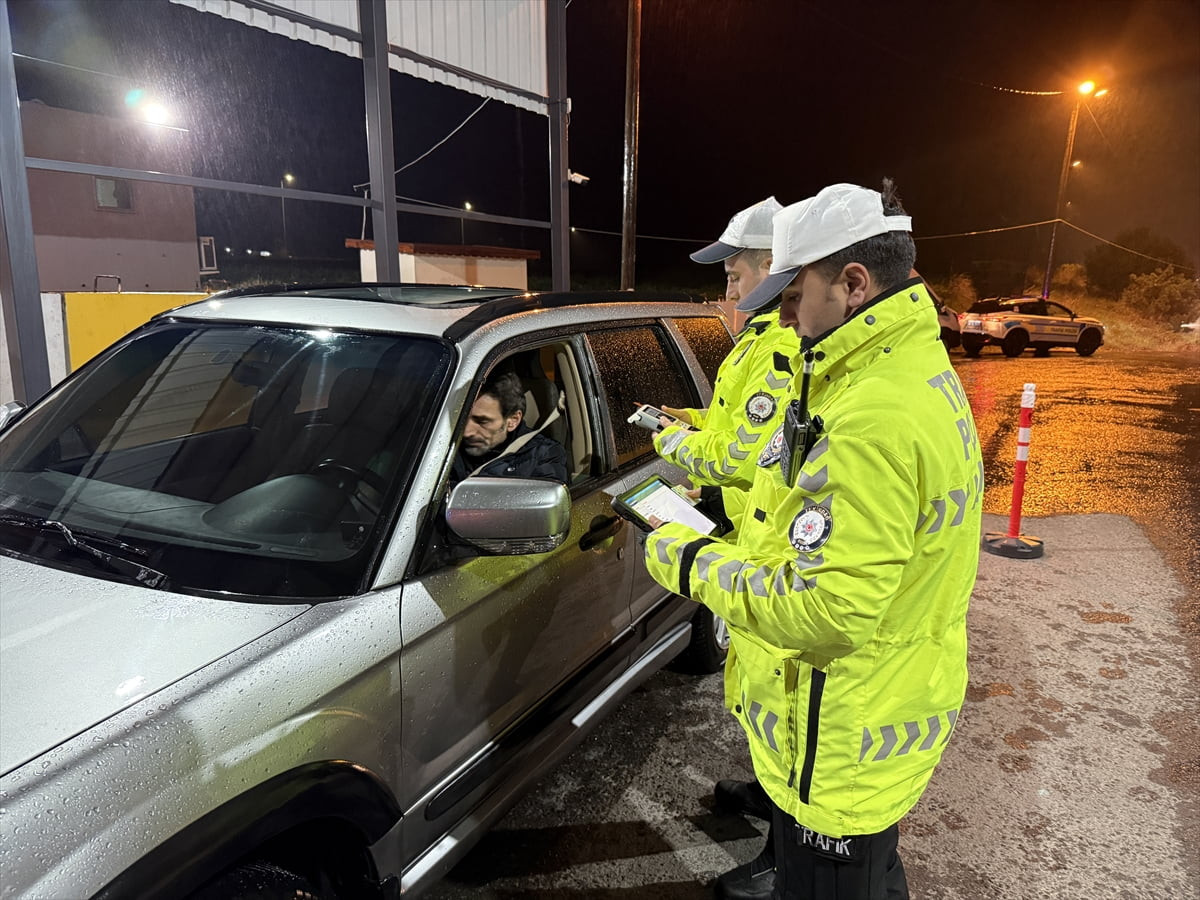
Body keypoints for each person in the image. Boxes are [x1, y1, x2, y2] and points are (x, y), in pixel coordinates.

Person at [644, 181, 983, 900]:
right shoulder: (897, 372)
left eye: (794, 298)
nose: (785, 321)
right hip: (880, 704)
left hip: (840, 734)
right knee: (871, 879)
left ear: (854, 283)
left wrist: (691, 558)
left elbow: (825, 608)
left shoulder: (869, 414)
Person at [653, 197, 799, 900]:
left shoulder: (779, 344)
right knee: (760, 696)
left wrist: (671, 439)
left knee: (785, 703)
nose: (729, 283)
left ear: (773, 265)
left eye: (737, 268)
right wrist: (694, 417)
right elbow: (738, 424)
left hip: (773, 544)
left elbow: (740, 454)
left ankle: (786, 854)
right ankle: (772, 799)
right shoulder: (761, 334)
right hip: (755, 533)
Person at [451, 370, 568, 484]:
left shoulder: (543, 455)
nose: (466, 432)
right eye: (462, 420)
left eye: (482, 421)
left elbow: (547, 499)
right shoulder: (447, 448)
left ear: (513, 420)